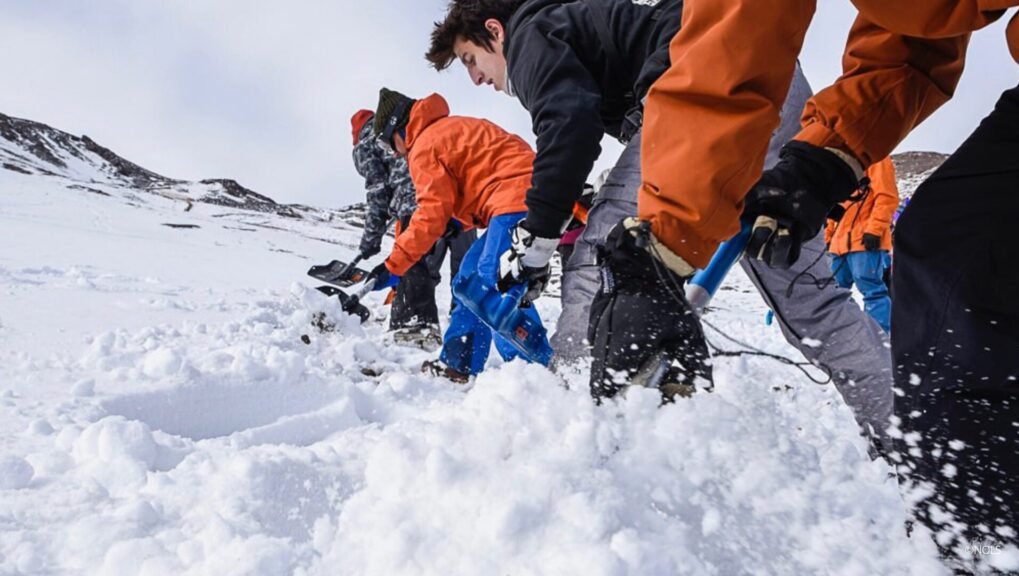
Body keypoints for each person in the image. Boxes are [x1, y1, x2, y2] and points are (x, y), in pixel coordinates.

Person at [618, 0, 1019, 562]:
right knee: (953, 255)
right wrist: (823, 159)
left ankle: (979, 547)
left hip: (864, 240)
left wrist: (664, 245)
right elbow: (916, 28)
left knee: (958, 267)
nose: (476, 79)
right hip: (845, 225)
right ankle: (972, 533)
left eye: (472, 61)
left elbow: (734, 51)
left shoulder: (544, 40)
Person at [426, 0, 893, 439]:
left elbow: (569, 125)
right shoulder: (584, 21)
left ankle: (571, 411)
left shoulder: (530, 35)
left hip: (714, 84)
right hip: (771, 77)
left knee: (604, 246)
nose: (475, 78)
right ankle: (909, 438)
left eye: (470, 59)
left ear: (494, 31)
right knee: (811, 304)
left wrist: (540, 237)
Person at [364, 88, 549, 383]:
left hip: (515, 200)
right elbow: (473, 180)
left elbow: (431, 212)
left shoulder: (424, 145)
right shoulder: (443, 130)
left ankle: (536, 372)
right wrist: (457, 223)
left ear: (397, 129)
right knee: (468, 280)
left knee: (494, 285)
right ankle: (458, 364)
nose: (395, 153)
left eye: (389, 146)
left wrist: (393, 266)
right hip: (515, 198)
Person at [350, 110, 476, 349]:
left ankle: (414, 325)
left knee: (414, 263)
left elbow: (378, 191)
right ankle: (464, 328)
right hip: (459, 202)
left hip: (418, 202)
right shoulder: (402, 128)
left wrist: (370, 240)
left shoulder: (365, 144)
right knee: (466, 268)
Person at [824, 157, 899, 333]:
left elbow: (887, 197)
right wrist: (828, 237)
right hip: (838, 245)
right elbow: (836, 209)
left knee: (872, 291)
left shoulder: (879, 160)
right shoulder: (848, 164)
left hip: (864, 242)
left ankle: (881, 337)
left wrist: (875, 230)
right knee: (834, 292)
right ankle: (849, 331)